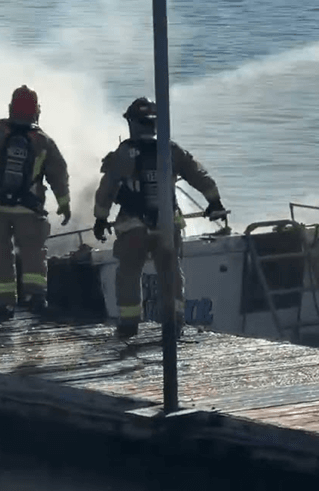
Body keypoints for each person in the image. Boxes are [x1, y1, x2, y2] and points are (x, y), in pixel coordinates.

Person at [92, 97, 227, 338]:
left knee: (129, 274)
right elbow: (200, 176)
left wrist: (100, 218)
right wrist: (214, 202)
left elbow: (107, 189)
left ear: (132, 123)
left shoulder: (124, 153)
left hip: (133, 226)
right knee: (171, 273)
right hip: (168, 225)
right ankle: (174, 323)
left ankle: (129, 325)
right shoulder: (172, 150)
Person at [0, 85, 71, 319]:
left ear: (11, 108)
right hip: (28, 210)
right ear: (36, 112)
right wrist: (64, 204)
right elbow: (58, 174)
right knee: (33, 253)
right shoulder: (43, 141)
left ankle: (2, 304)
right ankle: (36, 297)